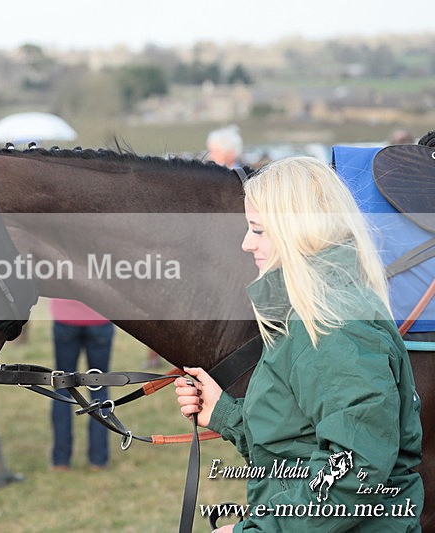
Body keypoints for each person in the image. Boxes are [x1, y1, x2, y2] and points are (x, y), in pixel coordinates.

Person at [174, 156, 423, 532]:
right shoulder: (311, 313)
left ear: (298, 230)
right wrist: (226, 416)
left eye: (258, 230)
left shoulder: (332, 326)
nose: (245, 243)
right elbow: (301, 443)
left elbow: (353, 473)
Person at [49, 298, 115, 471]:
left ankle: (60, 461)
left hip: (65, 318)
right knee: (99, 389)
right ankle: (98, 460)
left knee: (62, 390)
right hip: (100, 318)